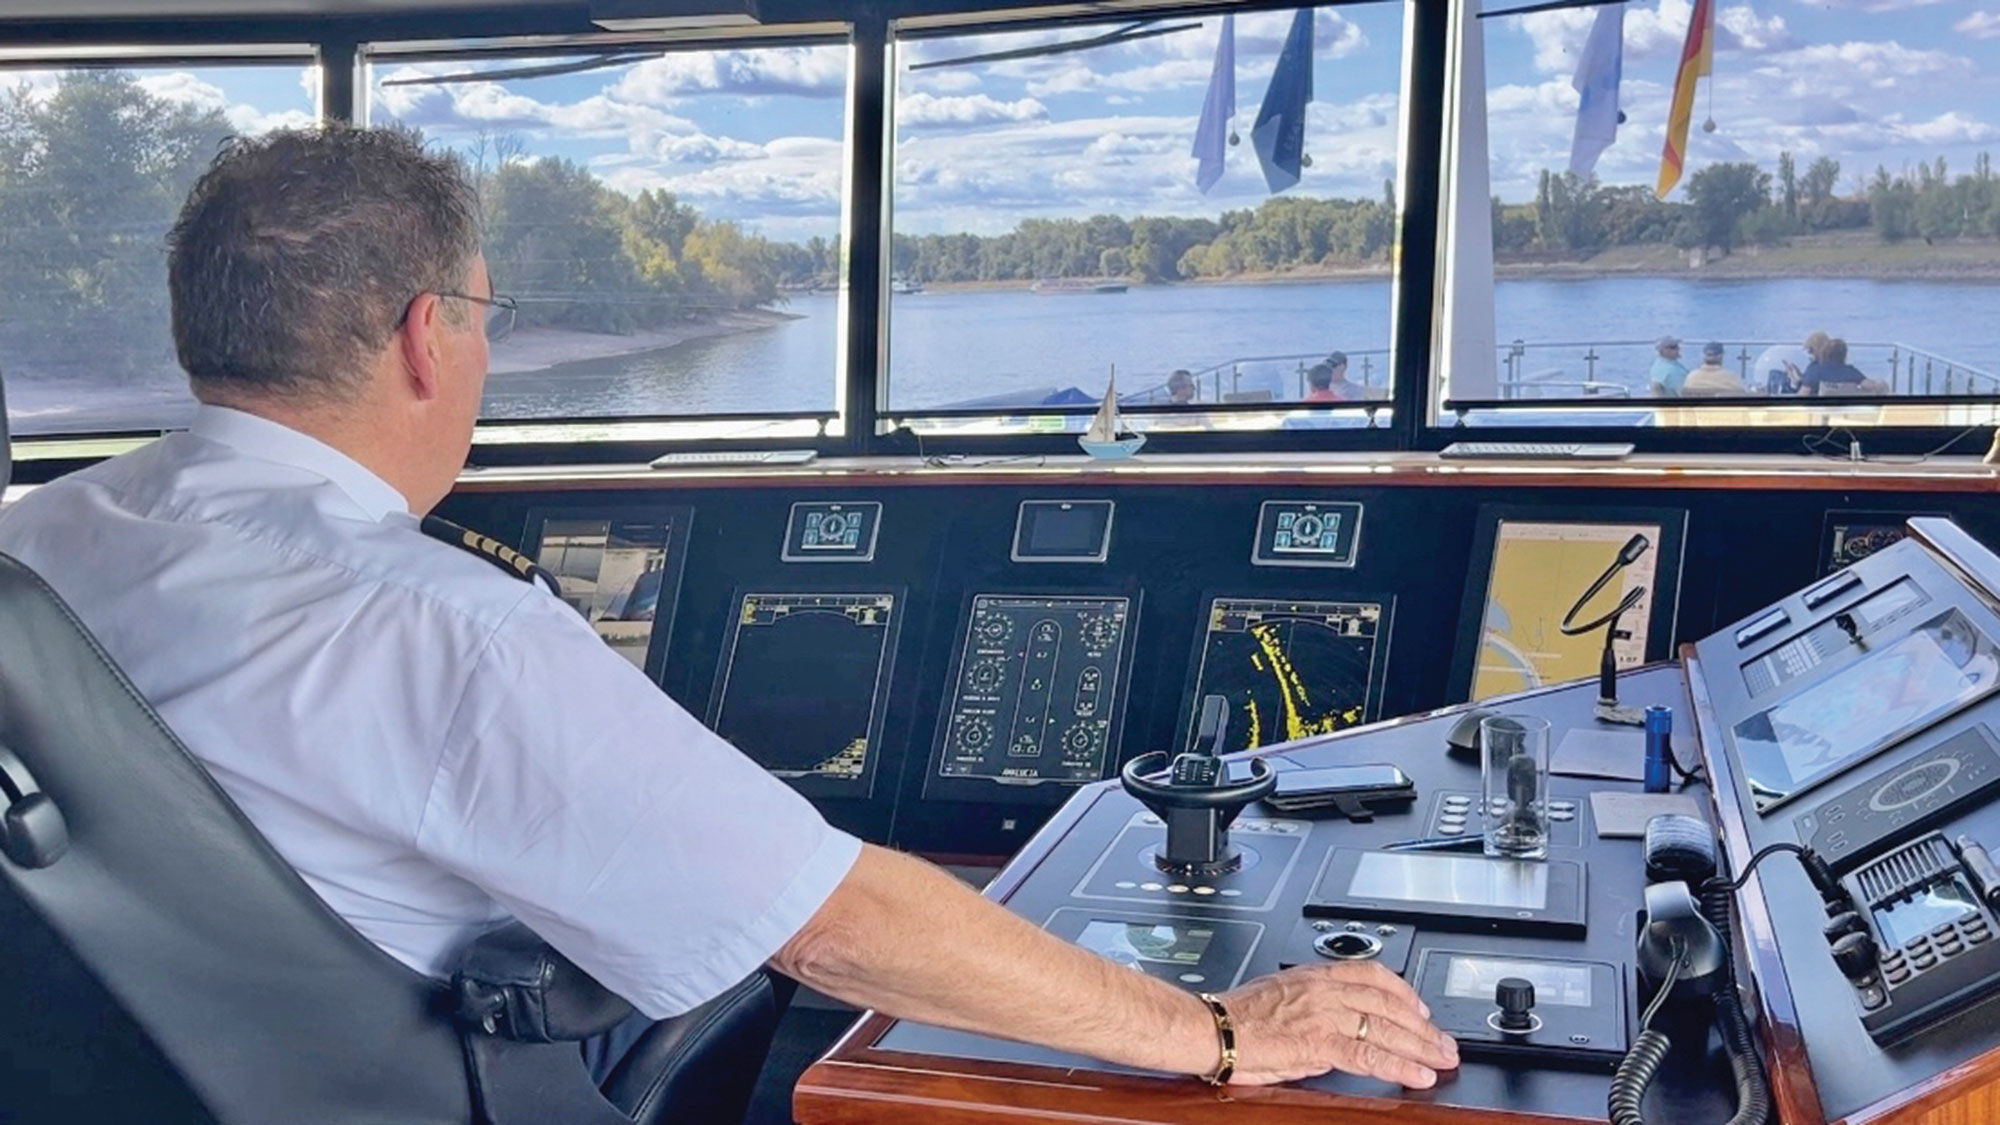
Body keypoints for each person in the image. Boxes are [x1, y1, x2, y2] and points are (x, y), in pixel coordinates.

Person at [0, 127, 1455, 1092]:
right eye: (489, 317)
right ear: (425, 338)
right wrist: (1212, 1028)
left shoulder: (36, 538)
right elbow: (826, 924)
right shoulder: (438, 629)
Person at [1801, 337, 1872, 396]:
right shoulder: (1850, 371)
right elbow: (1869, 386)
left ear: (1824, 353)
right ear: (1844, 355)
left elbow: (1803, 394)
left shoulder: (1815, 370)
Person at [1681, 341, 1750, 396]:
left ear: (1704, 356)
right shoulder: (1731, 378)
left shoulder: (1691, 377)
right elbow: (1742, 393)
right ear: (1721, 356)